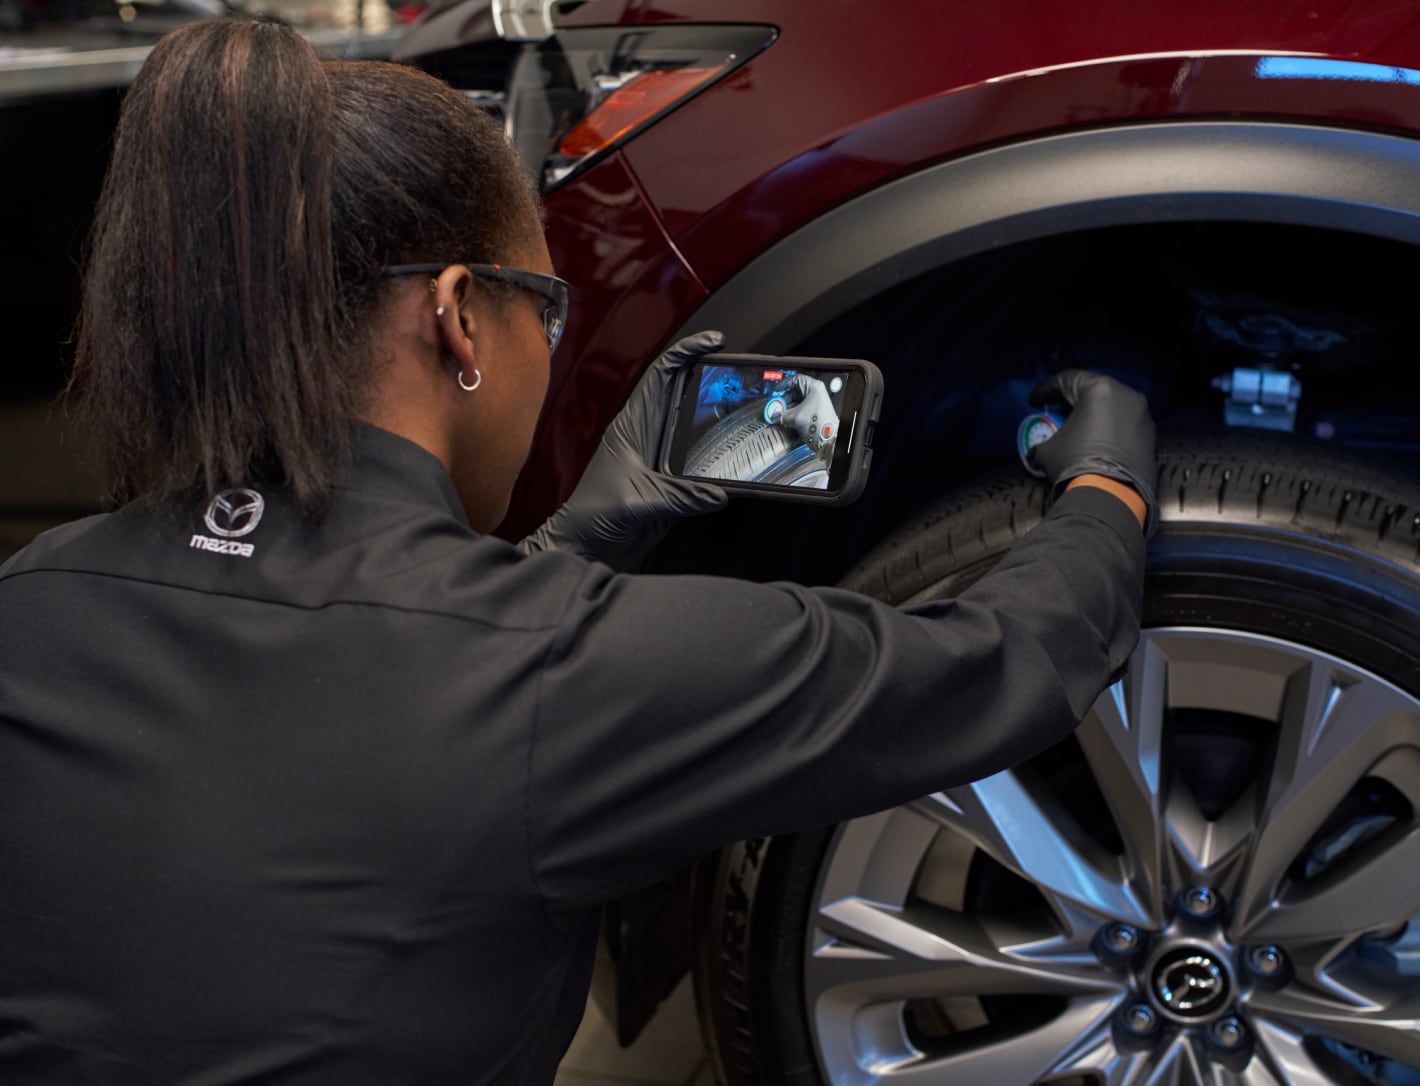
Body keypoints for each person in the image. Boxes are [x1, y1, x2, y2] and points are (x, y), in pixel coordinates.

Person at [0, 18, 1156, 1085]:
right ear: (458, 317)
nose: (547, 358)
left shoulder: (36, 600)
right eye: (543, 313)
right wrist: (1108, 482)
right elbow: (1005, 661)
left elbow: (368, 690)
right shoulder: (560, 671)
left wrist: (574, 544)